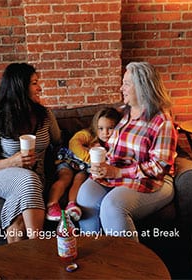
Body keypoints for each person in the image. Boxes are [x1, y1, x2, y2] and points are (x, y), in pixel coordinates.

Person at [76, 62, 178, 241]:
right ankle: (94, 255)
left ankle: (130, 266)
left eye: (126, 84)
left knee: (113, 206)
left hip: (152, 181)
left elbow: (159, 167)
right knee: (85, 196)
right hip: (116, 173)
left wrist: (117, 171)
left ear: (142, 86)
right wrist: (101, 163)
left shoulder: (161, 121)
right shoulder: (121, 114)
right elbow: (106, 142)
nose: (121, 88)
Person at [0, 63, 61, 243]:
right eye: (34, 83)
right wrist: (12, 161)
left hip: (37, 176)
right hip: (2, 175)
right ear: (19, 87)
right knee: (29, 180)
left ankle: (19, 263)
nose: (40, 88)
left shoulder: (45, 116)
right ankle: (37, 246)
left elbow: (59, 142)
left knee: (20, 219)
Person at [46, 107, 122, 222]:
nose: (105, 133)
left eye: (110, 128)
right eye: (100, 128)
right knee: (65, 178)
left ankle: (71, 205)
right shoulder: (88, 134)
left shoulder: (114, 143)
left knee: (79, 180)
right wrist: (89, 158)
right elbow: (74, 143)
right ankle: (52, 204)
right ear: (95, 127)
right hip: (68, 161)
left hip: (83, 168)